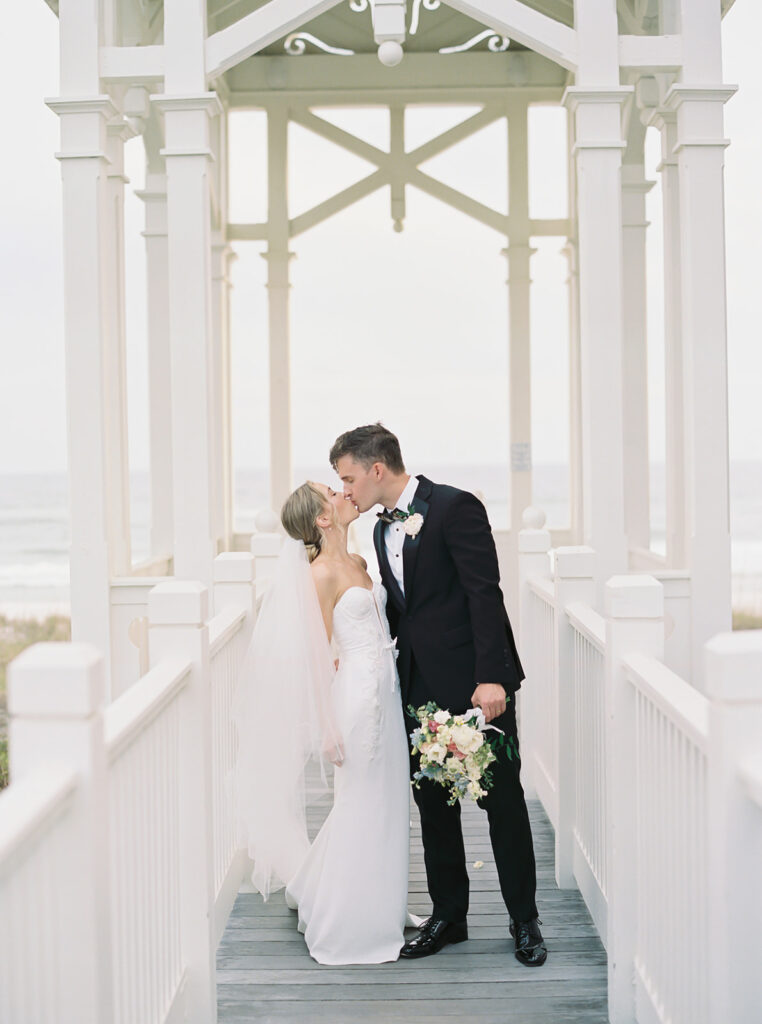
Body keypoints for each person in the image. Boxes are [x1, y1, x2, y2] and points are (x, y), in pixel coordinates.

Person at [331, 423, 547, 966]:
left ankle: (525, 920)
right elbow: (406, 610)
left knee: (502, 804)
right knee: (434, 809)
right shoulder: (381, 532)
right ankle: (449, 917)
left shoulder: (454, 507)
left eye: (349, 478)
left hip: (479, 688)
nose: (346, 490)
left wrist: (493, 678)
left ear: (377, 469)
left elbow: (484, 594)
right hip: (418, 686)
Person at [233, 480, 415, 965]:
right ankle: (349, 917)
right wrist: (328, 726)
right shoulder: (319, 575)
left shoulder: (357, 562)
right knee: (360, 800)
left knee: (390, 799)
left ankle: (383, 904)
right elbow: (313, 657)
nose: (343, 493)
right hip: (356, 701)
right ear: (321, 518)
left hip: (386, 692)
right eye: (331, 492)